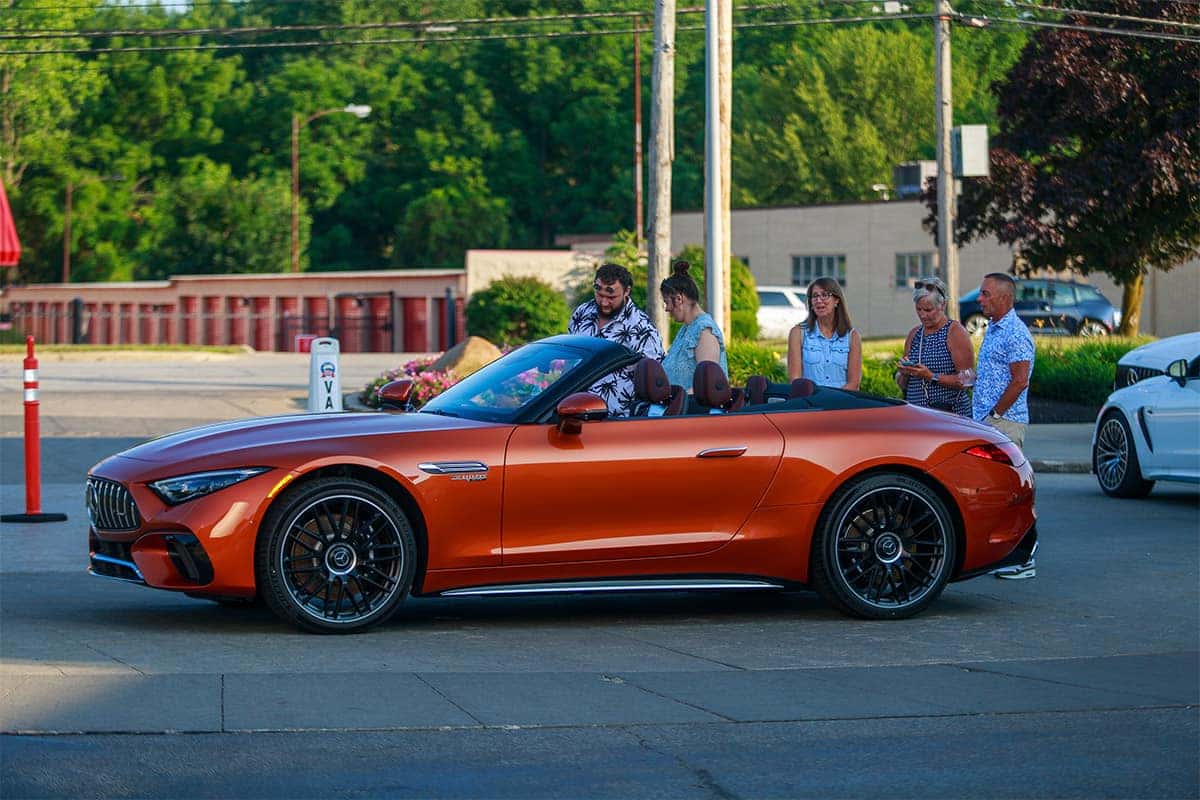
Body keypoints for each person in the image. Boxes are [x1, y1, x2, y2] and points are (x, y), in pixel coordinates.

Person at [972, 271, 1037, 579]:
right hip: (988, 423)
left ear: (1005, 298)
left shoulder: (1015, 332)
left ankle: (1025, 561)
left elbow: (1020, 380)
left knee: (1013, 493)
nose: (979, 299)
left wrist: (996, 414)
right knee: (996, 494)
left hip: (1005, 424)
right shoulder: (994, 329)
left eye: (985, 294)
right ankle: (1001, 556)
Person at [567, 262, 665, 416]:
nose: (604, 302)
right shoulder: (582, 312)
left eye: (611, 297)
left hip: (615, 418)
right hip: (571, 410)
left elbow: (654, 381)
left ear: (627, 291)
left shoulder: (642, 328)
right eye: (599, 294)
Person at [896, 276, 975, 416]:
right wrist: (904, 373)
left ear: (943, 305)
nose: (923, 315)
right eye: (919, 309)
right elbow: (903, 384)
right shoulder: (914, 334)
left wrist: (931, 376)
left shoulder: (955, 332)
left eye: (928, 310)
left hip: (948, 416)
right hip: (917, 416)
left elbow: (968, 380)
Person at [660, 260, 727, 391]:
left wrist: (677, 400)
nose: (666, 308)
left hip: (692, 404)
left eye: (666, 302)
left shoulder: (705, 332)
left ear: (679, 299)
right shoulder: (686, 329)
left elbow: (707, 384)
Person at [787, 277, 862, 390]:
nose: (819, 300)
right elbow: (795, 380)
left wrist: (832, 398)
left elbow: (854, 383)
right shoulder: (797, 333)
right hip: (810, 399)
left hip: (841, 399)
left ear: (836, 300)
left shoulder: (853, 336)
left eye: (825, 295)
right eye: (815, 296)